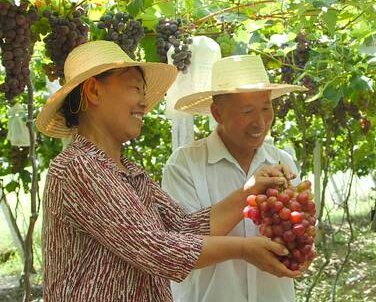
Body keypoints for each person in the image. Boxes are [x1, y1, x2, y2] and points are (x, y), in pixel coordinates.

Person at [36, 41, 300, 302]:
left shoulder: (129, 172)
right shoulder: (78, 167)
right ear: (94, 92)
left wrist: (249, 191)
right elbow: (154, 248)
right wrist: (243, 249)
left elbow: (186, 228)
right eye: (135, 89)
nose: (143, 102)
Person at [163, 55, 308, 302]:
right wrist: (248, 194)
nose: (260, 122)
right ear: (217, 113)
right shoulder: (185, 165)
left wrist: (300, 245)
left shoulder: (282, 161)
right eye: (247, 111)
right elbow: (180, 248)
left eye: (265, 108)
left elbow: (295, 229)